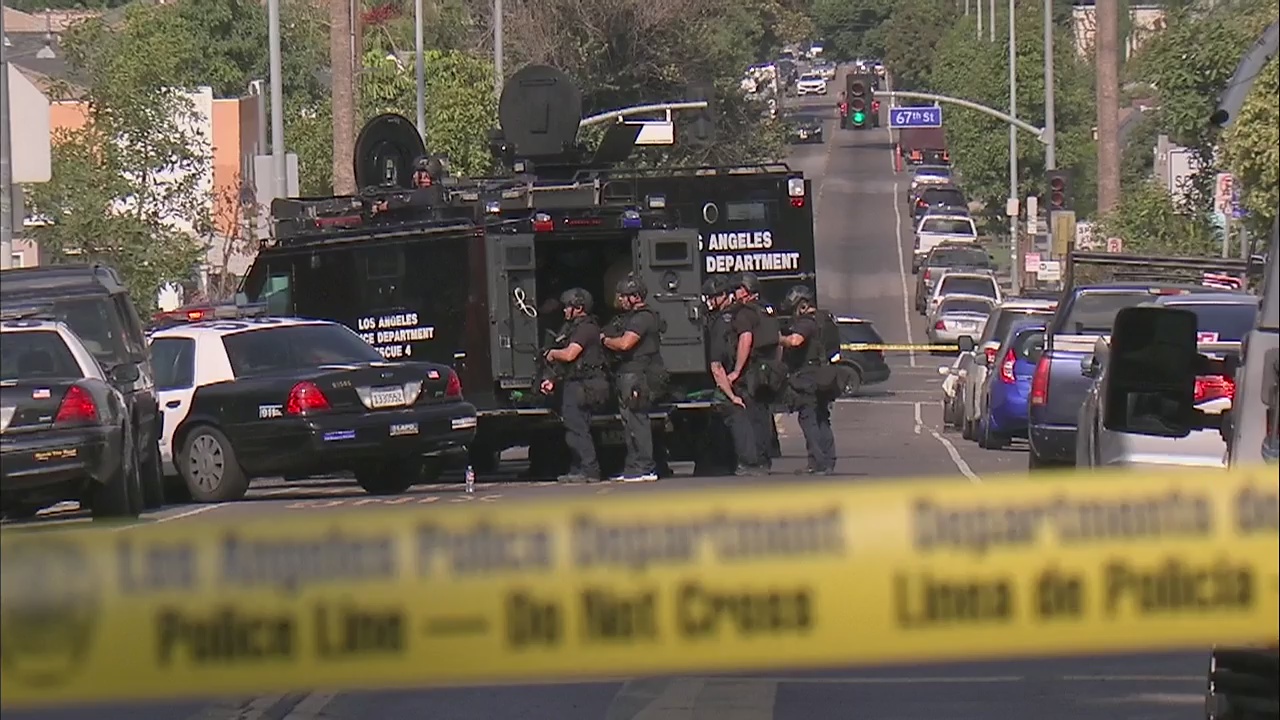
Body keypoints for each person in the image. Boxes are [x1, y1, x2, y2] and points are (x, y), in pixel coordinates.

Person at [540, 288, 609, 483]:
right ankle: (578, 468)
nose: (564, 311)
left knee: (578, 429)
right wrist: (550, 379)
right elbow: (565, 364)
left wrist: (553, 353)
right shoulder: (570, 328)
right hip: (575, 383)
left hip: (585, 384)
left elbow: (570, 354)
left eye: (568, 307)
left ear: (579, 308)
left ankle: (590, 469)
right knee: (573, 429)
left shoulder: (586, 328)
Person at [601, 274, 665, 482]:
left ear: (636, 296)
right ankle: (633, 467)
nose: (620, 300)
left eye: (624, 296)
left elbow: (625, 344)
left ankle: (645, 467)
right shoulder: (630, 317)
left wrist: (606, 340)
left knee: (638, 421)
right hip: (629, 373)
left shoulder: (643, 317)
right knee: (629, 422)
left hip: (639, 375)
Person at [725, 272, 785, 474]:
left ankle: (755, 462)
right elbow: (778, 340)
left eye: (738, 289)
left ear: (748, 290)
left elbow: (745, 340)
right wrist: (776, 365)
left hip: (753, 370)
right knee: (764, 416)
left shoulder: (744, 313)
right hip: (769, 369)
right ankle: (765, 460)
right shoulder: (767, 310)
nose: (735, 293)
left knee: (751, 417)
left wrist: (736, 371)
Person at [779, 285, 841, 475]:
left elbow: (795, 341)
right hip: (825, 375)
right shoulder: (826, 320)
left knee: (809, 419)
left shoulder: (806, 322)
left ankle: (819, 462)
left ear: (803, 305)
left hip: (807, 376)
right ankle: (827, 461)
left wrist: (778, 338)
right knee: (822, 418)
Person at [698, 275, 740, 475]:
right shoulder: (740, 315)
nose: (710, 302)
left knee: (722, 420)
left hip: (726, 378)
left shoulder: (721, 322)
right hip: (736, 375)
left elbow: (716, 363)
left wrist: (729, 391)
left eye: (712, 297)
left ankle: (722, 465)